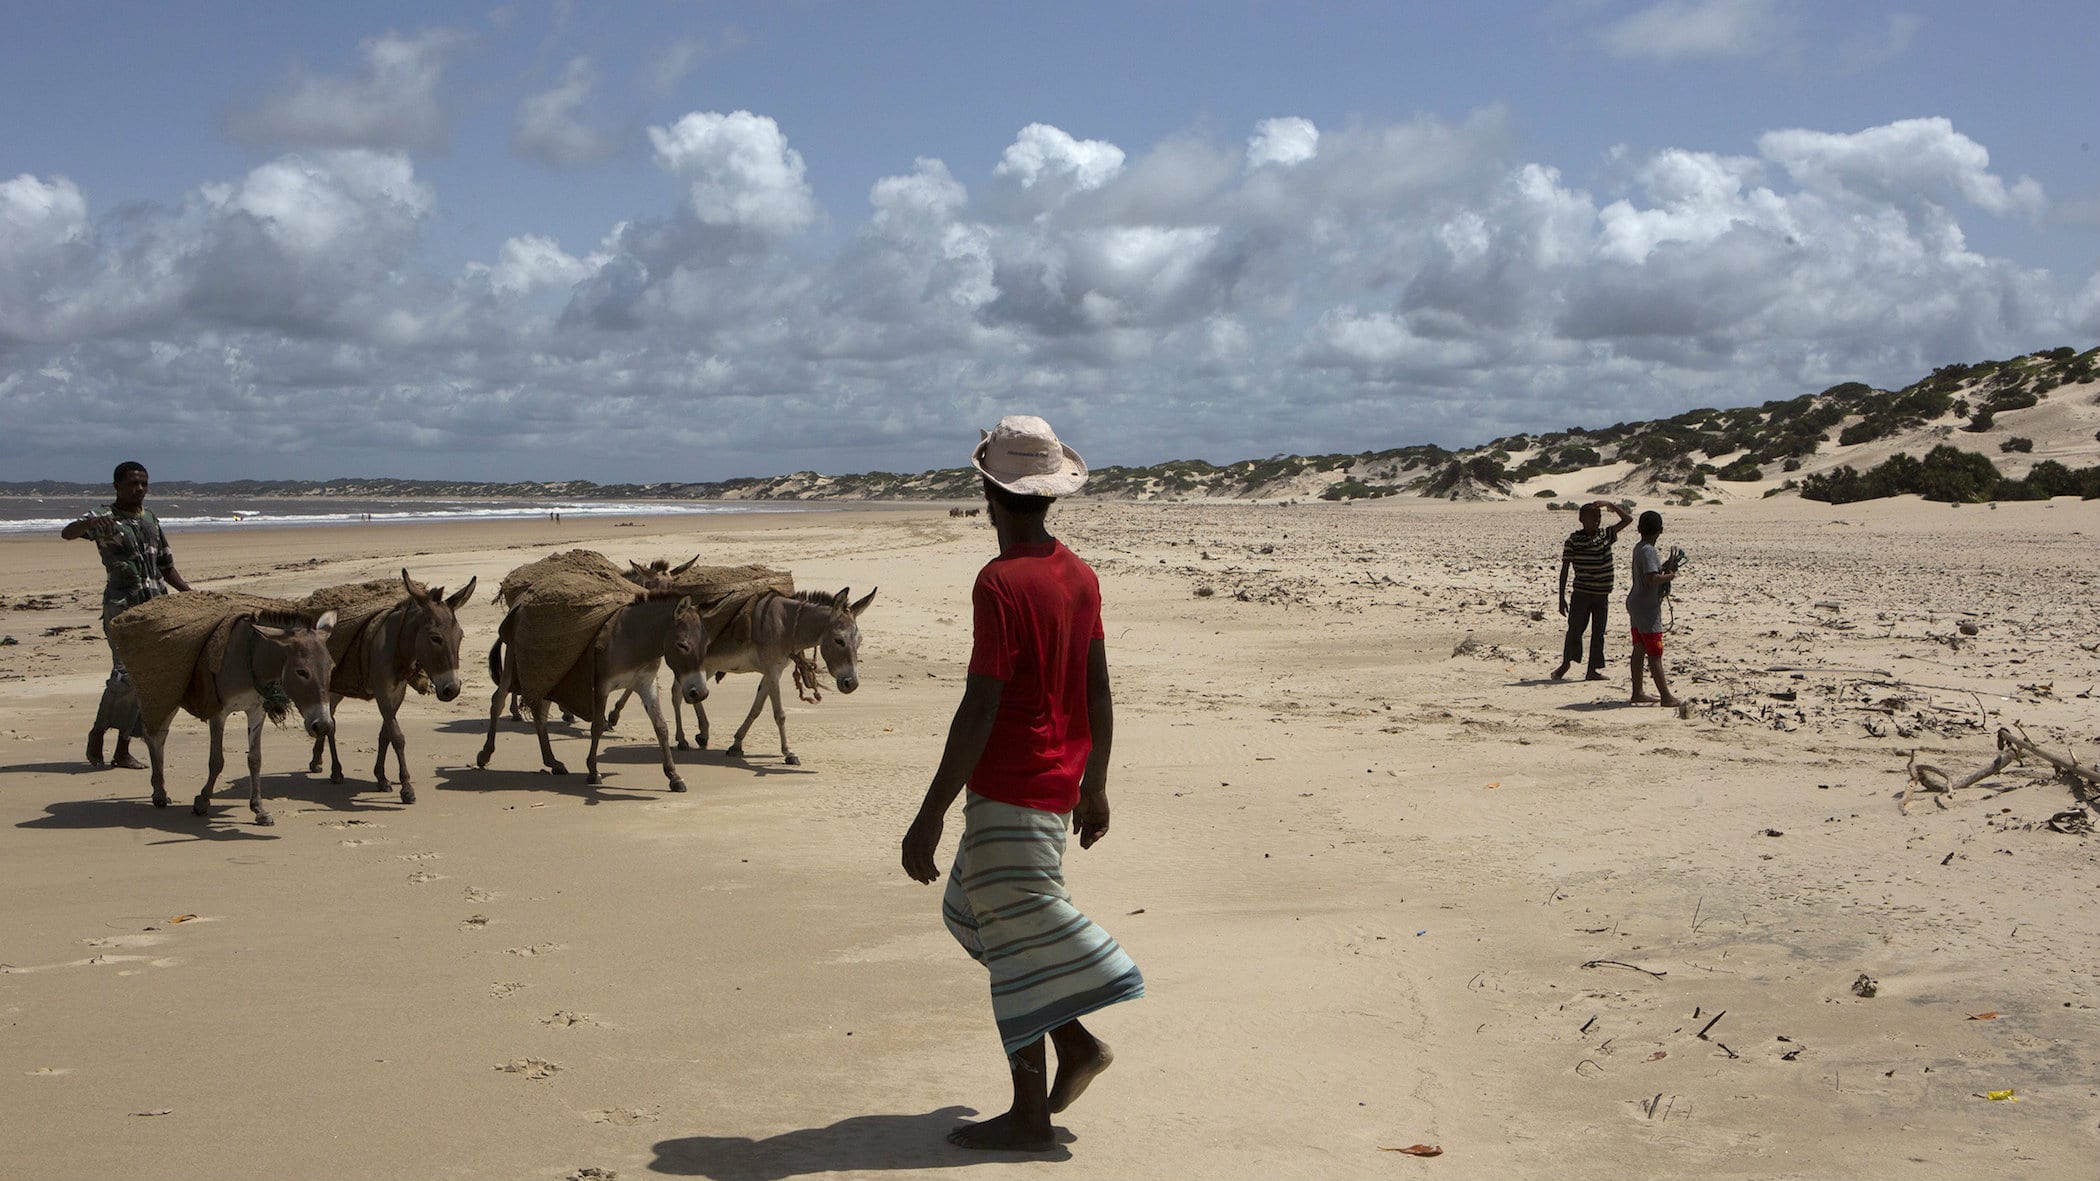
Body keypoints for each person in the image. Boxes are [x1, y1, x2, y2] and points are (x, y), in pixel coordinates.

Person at [901, 415, 1144, 1153]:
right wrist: (1094, 782)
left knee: (1014, 936)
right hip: (1055, 783)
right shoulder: (1077, 575)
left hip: (1014, 788)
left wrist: (930, 812)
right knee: (970, 914)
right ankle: (1072, 1042)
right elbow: (1099, 690)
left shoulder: (1000, 582)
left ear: (989, 491)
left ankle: (1030, 1112)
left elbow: (982, 702)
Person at [61, 461, 192, 768]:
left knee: (146, 679)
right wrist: (88, 525)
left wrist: (188, 592)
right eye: (133, 483)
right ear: (117, 486)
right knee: (126, 674)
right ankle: (99, 732)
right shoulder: (104, 517)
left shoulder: (150, 518)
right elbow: (67, 533)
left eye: (144, 483)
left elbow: (166, 565)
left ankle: (123, 748)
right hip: (122, 606)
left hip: (155, 606)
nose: (140, 489)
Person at [1553, 499, 1633, 681]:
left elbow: (1628, 520)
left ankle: (1592, 670)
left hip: (1602, 594)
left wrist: (1611, 505)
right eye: (1593, 517)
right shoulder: (1573, 540)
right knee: (1575, 630)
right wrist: (1561, 598)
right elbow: (1565, 569)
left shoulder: (1605, 535)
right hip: (1581, 593)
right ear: (1582, 519)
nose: (1596, 521)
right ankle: (1565, 664)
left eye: (1599, 517)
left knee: (1598, 633)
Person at [1624, 510, 1680, 707]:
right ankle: (1666, 696)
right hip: (1646, 608)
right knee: (1655, 652)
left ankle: (1637, 692)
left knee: (1639, 648)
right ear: (1660, 530)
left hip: (1635, 602)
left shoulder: (1639, 548)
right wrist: (1670, 576)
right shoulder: (1649, 550)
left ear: (1639, 529)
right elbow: (1652, 578)